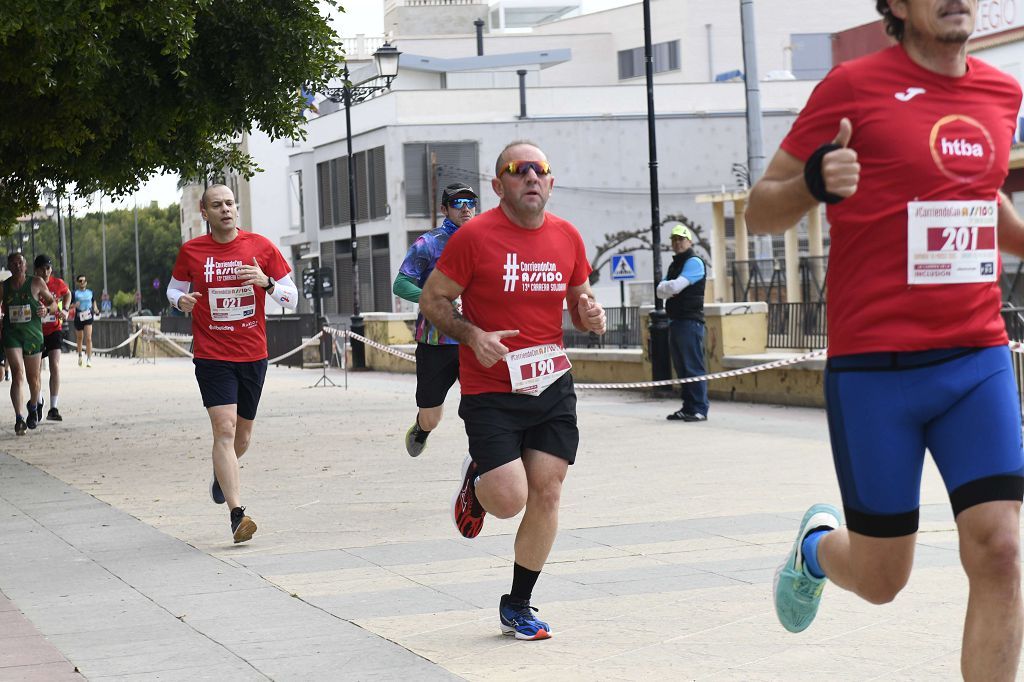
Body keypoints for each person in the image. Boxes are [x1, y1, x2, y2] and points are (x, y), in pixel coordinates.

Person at [745, 2, 1024, 678]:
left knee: (1001, 549)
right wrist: (814, 182)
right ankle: (816, 548)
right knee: (881, 578)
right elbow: (760, 209)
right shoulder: (852, 86)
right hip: (875, 370)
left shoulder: (1002, 92)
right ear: (896, 5)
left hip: (977, 356)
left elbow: (980, 195)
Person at [420, 141, 606, 641]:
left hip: (550, 383)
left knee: (548, 491)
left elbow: (580, 301)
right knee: (508, 500)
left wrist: (591, 315)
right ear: (498, 185)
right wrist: (472, 336)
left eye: (539, 169)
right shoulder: (473, 237)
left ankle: (518, 605)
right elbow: (434, 300)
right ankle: (479, 478)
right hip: (491, 388)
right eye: (517, 169)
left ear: (551, 182)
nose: (530, 177)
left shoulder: (567, 236)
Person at [166, 184, 298, 544]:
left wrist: (267, 283)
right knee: (224, 429)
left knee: (242, 438)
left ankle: (221, 473)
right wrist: (180, 302)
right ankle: (238, 515)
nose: (225, 209)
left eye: (229, 203)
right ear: (204, 212)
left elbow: (292, 298)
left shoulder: (261, 247)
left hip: (253, 354)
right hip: (212, 355)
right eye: (217, 205)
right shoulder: (192, 251)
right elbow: (173, 289)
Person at [394, 182, 479, 457]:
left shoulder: (485, 241)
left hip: (475, 339)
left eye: (470, 202)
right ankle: (422, 428)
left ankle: (485, 459)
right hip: (436, 342)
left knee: (481, 410)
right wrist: (435, 298)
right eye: (457, 203)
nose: (465, 208)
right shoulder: (428, 243)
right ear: (444, 209)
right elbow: (400, 284)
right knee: (432, 416)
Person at [0, 253, 58, 435]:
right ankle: (19, 418)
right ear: (9, 267)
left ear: (25, 266)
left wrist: (46, 309)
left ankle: (33, 405)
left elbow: (53, 303)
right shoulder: (3, 287)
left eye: (20, 263)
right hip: (12, 335)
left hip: (33, 336)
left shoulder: (36, 282)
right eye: (13, 263)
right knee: (17, 374)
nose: (17, 266)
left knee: (34, 379)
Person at [657, 224, 709, 422]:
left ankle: (699, 409)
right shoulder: (675, 265)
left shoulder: (694, 262)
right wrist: (669, 288)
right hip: (676, 321)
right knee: (682, 368)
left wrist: (670, 288)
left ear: (689, 241)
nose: (677, 243)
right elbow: (660, 291)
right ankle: (688, 407)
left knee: (693, 366)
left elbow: (674, 287)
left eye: (681, 239)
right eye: (674, 239)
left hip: (690, 321)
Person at [34, 255, 71, 421]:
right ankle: (38, 400)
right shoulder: (33, 284)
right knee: (35, 370)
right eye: (42, 269)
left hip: (54, 329)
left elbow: (67, 293)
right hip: (36, 331)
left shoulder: (58, 283)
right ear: (36, 270)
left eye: (48, 268)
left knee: (54, 366)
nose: (46, 272)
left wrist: (66, 308)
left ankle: (54, 408)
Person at [70, 274, 99, 367]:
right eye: (80, 281)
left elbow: (93, 302)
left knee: (88, 338)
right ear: (77, 283)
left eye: (83, 281)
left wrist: (96, 309)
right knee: (79, 338)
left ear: (86, 282)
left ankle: (89, 359)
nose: (82, 282)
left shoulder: (90, 292)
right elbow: (69, 305)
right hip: (78, 317)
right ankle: (80, 355)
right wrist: (74, 305)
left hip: (88, 316)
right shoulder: (74, 293)